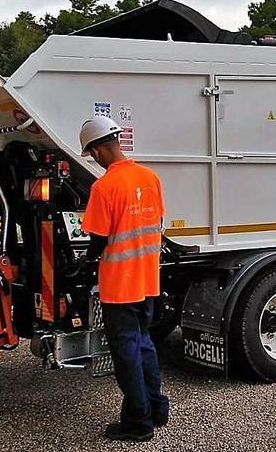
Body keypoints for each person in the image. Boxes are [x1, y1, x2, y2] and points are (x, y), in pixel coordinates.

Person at [79, 115, 169, 442]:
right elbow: (156, 225)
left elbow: (99, 240)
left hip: (120, 286)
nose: (94, 159)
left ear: (100, 149)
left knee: (127, 354)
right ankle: (157, 408)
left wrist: (84, 263)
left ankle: (137, 423)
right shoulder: (150, 177)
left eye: (92, 153)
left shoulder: (104, 187)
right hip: (147, 281)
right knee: (143, 344)